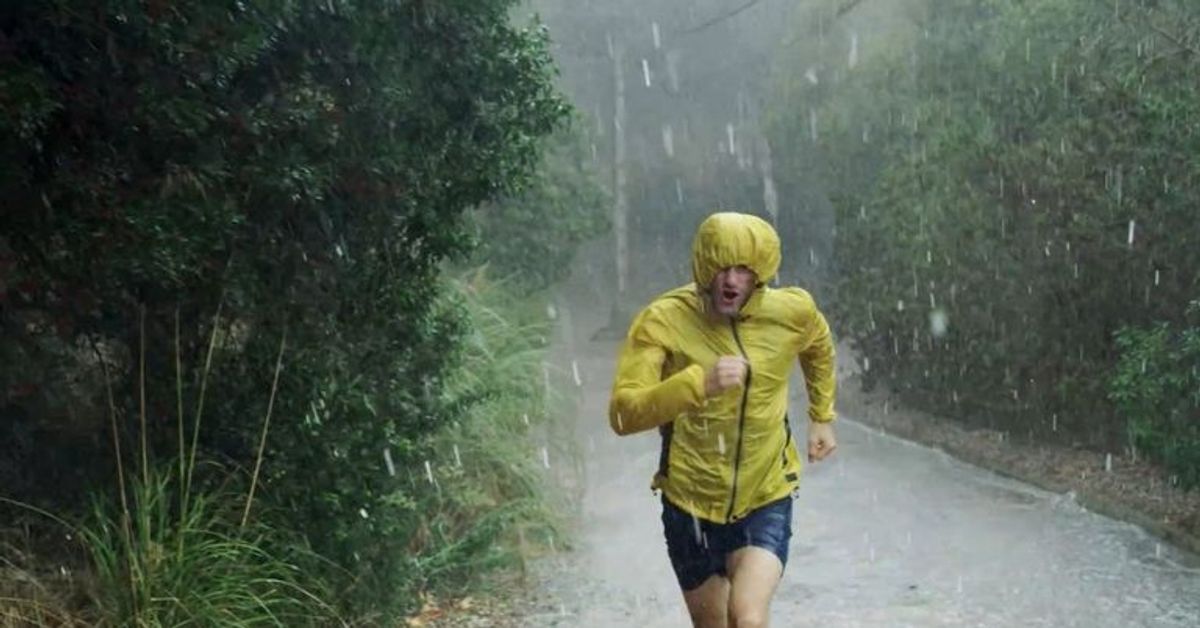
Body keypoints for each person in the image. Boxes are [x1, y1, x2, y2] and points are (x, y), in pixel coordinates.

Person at [608, 212, 838, 628]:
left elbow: (818, 345)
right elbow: (624, 413)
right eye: (722, 268)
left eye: (745, 271)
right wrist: (698, 383)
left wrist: (822, 416)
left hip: (764, 494)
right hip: (689, 504)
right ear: (704, 267)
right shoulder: (664, 319)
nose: (732, 281)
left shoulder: (791, 312)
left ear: (761, 276)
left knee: (747, 619)